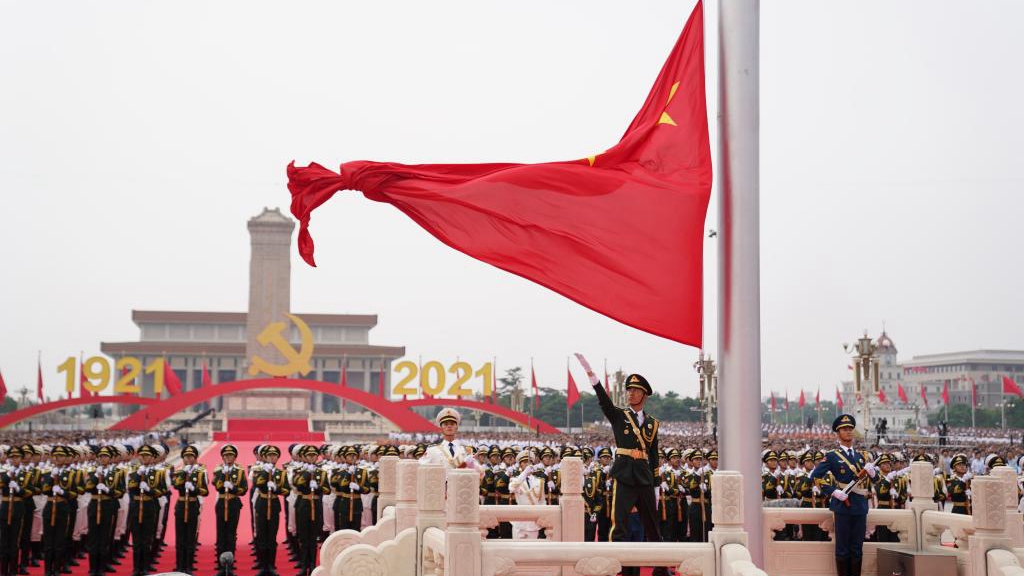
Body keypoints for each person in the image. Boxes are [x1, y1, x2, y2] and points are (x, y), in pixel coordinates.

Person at [590, 371, 670, 576]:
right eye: (629, 390)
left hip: (644, 476)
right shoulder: (619, 415)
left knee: (652, 525)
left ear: (644, 395)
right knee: (619, 524)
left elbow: (653, 454)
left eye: (635, 391)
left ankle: (660, 568)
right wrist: (594, 379)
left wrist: (656, 482)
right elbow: (604, 403)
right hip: (624, 474)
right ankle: (616, 567)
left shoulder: (653, 424)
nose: (630, 394)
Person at [810, 414, 877, 576]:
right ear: (838, 433)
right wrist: (834, 491)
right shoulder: (833, 456)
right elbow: (815, 476)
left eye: (850, 429)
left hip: (860, 506)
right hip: (842, 506)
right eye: (844, 429)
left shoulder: (863, 456)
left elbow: (877, 481)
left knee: (857, 548)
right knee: (842, 550)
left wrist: (873, 473)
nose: (848, 432)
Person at [212, 444, 248, 576]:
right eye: (226, 455)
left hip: (233, 502)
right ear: (222, 457)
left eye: (231, 455)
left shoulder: (239, 471)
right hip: (222, 502)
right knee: (221, 533)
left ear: (235, 457)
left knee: (231, 534)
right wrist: (223, 475)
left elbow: (244, 489)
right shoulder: (218, 470)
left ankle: (230, 563)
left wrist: (232, 487)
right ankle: (220, 563)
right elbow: (216, 485)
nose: (228, 457)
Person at [172, 445, 207, 573]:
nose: (188, 459)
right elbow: (175, 485)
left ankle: (189, 566)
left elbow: (205, 491)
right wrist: (183, 475)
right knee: (180, 537)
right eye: (186, 457)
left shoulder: (200, 472)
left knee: (190, 538)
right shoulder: (179, 471)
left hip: (192, 504)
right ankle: (179, 565)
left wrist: (194, 489)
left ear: (195, 458)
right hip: (181, 505)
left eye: (191, 456)